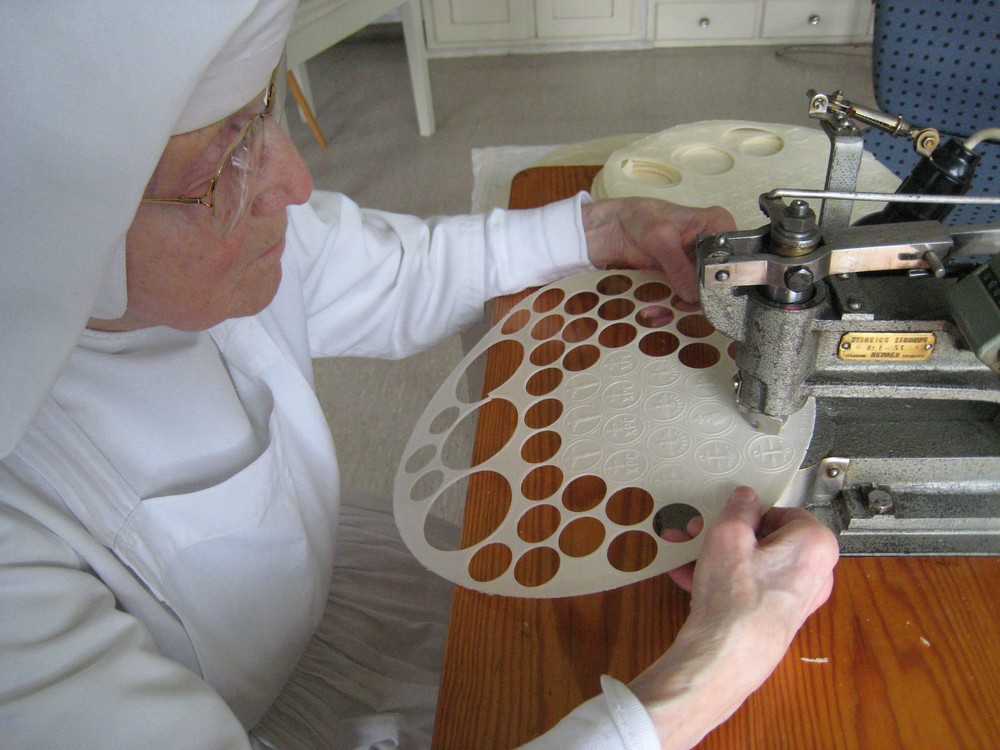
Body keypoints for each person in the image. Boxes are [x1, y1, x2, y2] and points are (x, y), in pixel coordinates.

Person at [0, 2, 839, 749]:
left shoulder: (218, 251)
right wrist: (710, 671)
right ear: (65, 229)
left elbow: (402, 269)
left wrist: (604, 226)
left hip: (339, 595)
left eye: (261, 115)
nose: (293, 182)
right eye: (219, 173)